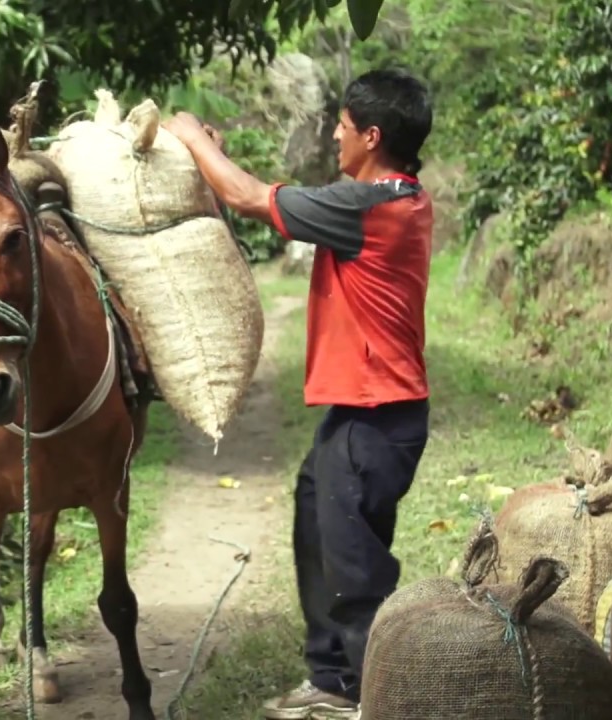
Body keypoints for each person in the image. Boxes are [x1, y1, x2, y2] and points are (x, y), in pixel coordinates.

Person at [163, 68, 434, 720]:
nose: (335, 136)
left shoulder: (373, 207)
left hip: (378, 418)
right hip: (360, 412)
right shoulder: (389, 197)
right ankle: (333, 681)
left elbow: (252, 198)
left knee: (356, 572)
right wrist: (216, 155)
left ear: (371, 135)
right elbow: (259, 192)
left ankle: (380, 696)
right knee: (319, 530)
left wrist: (192, 139)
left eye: (342, 126)